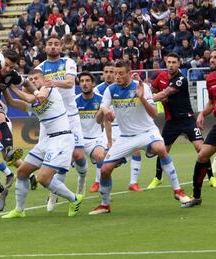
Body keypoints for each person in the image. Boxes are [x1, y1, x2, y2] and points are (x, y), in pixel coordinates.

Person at [90, 61, 191, 215]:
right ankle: (105, 205)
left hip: (146, 132)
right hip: (125, 137)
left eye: (120, 73)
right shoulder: (110, 90)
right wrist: (105, 111)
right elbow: (102, 112)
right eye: (115, 73)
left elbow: (154, 114)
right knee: (104, 170)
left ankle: (178, 191)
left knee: (161, 149)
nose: (117, 77)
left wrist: (142, 98)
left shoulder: (142, 87)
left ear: (129, 73)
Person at [2, 69, 83, 219]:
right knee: (22, 172)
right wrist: (3, 86)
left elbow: (38, 97)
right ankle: (19, 210)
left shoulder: (48, 88)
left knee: (43, 179)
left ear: (43, 79)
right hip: (47, 141)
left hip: (62, 139)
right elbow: (12, 103)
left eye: (35, 78)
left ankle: (74, 199)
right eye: (30, 79)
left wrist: (12, 86)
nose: (33, 81)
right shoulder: (32, 101)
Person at [147, 52, 216, 189]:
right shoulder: (161, 76)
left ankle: (211, 178)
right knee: (162, 150)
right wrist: (147, 91)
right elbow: (153, 89)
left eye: (174, 62)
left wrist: (146, 99)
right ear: (165, 63)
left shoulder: (181, 79)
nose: (171, 65)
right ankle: (157, 178)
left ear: (179, 64)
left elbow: (166, 92)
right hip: (171, 121)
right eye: (169, 62)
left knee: (201, 149)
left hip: (187, 119)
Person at [34, 35, 86, 212]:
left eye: (56, 44)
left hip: (70, 116)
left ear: (62, 46)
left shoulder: (68, 62)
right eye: (50, 44)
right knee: (49, 160)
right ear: (45, 47)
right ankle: (54, 194)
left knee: (78, 155)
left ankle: (82, 179)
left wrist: (50, 83)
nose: (53, 47)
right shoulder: (39, 68)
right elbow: (36, 90)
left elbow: (70, 82)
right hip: (51, 120)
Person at [94, 62, 143, 193]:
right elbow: (101, 115)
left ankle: (133, 182)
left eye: (113, 72)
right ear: (103, 74)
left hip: (124, 127)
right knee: (102, 155)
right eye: (108, 72)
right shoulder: (98, 90)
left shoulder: (128, 86)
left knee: (137, 150)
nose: (111, 75)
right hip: (108, 125)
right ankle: (97, 181)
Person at [182, 50, 216, 208]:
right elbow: (211, 102)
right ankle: (196, 196)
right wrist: (202, 113)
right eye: (212, 57)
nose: (212, 60)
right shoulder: (210, 79)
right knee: (202, 156)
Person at [0, 101, 38, 191]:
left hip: (0, 126)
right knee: (7, 157)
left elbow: (3, 106)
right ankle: (31, 176)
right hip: (1, 125)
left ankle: (9, 175)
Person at [76, 71, 107, 195]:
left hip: (96, 138)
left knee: (101, 157)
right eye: (82, 81)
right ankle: (54, 194)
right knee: (62, 164)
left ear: (93, 84)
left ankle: (100, 186)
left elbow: (105, 121)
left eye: (87, 81)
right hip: (79, 140)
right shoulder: (75, 101)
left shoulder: (101, 100)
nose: (84, 84)